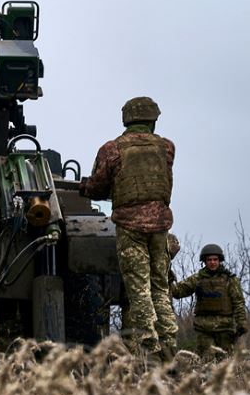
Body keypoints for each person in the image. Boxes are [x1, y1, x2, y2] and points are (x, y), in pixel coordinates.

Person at [79, 96, 178, 360]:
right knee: (160, 287)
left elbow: (99, 186)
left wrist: (85, 187)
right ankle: (169, 344)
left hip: (130, 226)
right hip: (160, 225)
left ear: (127, 119)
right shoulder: (167, 147)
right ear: (152, 120)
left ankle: (150, 351)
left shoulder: (112, 149)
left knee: (139, 289)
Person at [172, 243, 248, 357]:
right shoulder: (197, 279)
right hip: (204, 328)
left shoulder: (230, 280)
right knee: (207, 362)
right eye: (209, 260)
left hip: (225, 328)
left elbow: (238, 303)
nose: (212, 262)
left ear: (219, 260)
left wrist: (241, 322)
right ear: (205, 261)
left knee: (224, 363)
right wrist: (167, 278)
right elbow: (178, 291)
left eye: (215, 259)